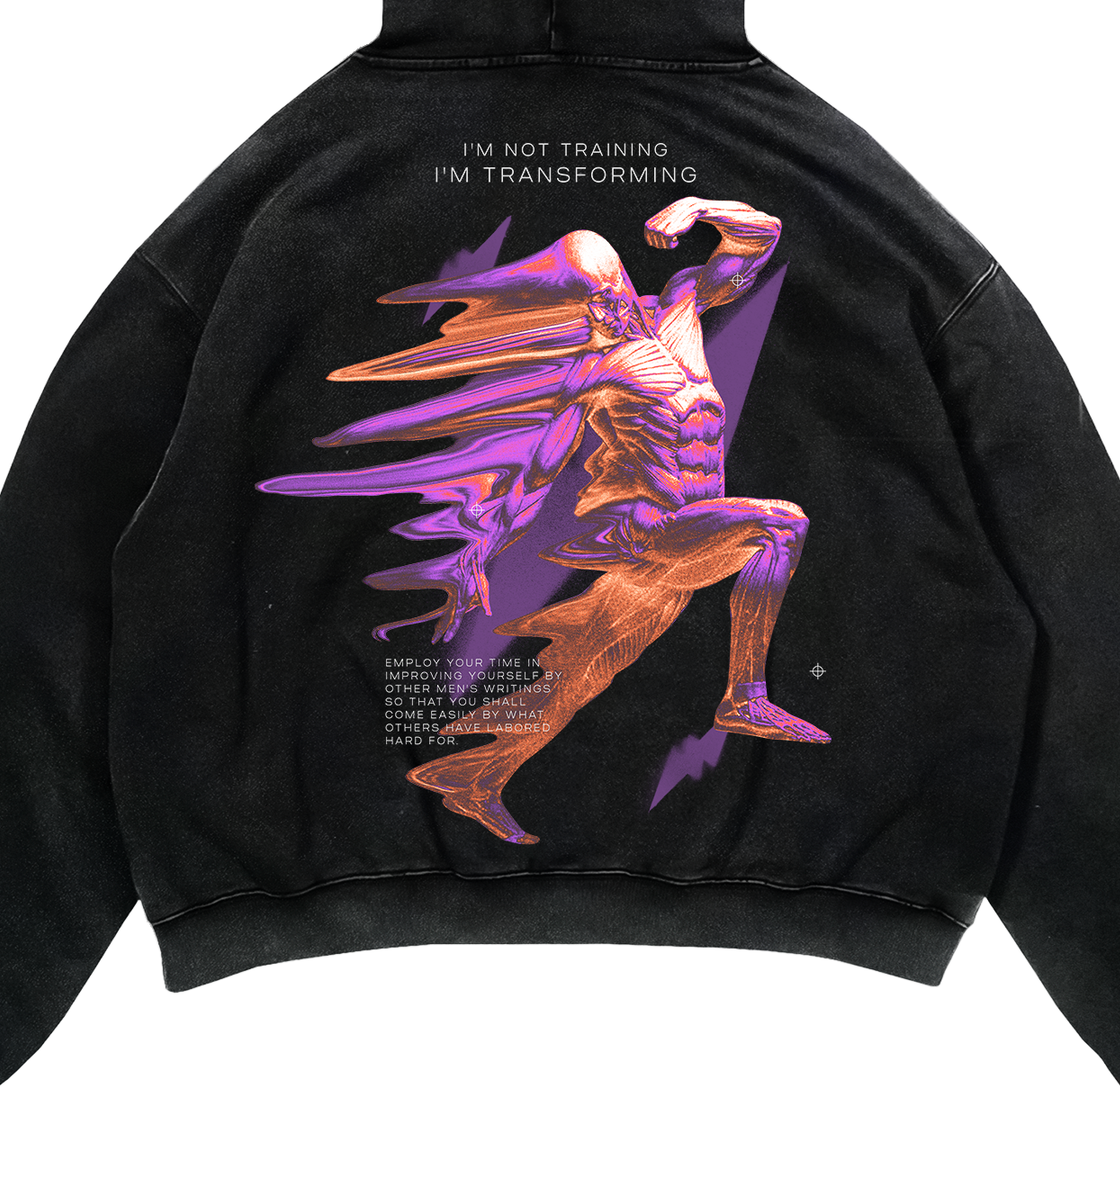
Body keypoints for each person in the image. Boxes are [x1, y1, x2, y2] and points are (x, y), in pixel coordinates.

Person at [259, 198, 828, 845]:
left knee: (582, 674)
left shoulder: (677, 316)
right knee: (781, 524)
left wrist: (695, 208)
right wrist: (475, 555)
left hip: (694, 544)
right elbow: (532, 473)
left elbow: (760, 236)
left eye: (609, 291)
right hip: (654, 535)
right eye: (590, 302)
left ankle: (477, 778)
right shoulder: (592, 375)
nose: (607, 306)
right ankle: (745, 697)